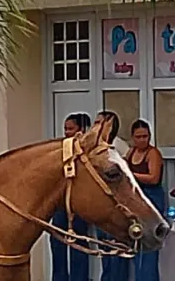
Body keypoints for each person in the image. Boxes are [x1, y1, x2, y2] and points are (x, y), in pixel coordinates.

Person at [51, 112, 92, 281]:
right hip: (61, 204)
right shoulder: (61, 149)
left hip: (79, 205)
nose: (67, 132)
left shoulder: (88, 151)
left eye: (71, 128)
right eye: (65, 129)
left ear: (81, 130)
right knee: (57, 246)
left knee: (79, 247)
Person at [126, 119, 164, 281]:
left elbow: (154, 178)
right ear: (133, 137)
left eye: (145, 136)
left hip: (151, 199)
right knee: (136, 245)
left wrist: (131, 175)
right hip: (135, 200)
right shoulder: (131, 153)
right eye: (139, 136)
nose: (142, 140)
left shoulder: (153, 153)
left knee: (149, 247)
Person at [95, 110, 130, 281]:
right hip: (99, 201)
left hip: (116, 201)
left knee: (117, 245)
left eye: (98, 123)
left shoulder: (119, 146)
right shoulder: (94, 146)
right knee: (103, 246)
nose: (94, 127)